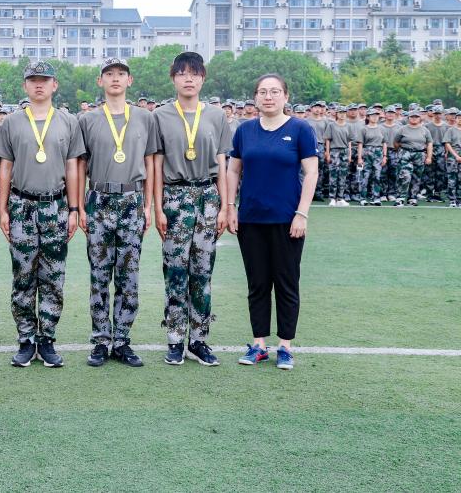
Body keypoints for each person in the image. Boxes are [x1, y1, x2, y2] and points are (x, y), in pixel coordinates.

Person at [0, 61, 84, 368]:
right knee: (23, 276)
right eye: (33, 80)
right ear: (25, 86)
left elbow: (73, 167)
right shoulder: (12, 122)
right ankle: (26, 339)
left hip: (56, 206)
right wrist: (3, 209)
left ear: (54, 85)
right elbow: (5, 167)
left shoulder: (68, 121)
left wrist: (74, 208)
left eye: (44, 80)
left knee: (53, 277)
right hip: (22, 205)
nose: (39, 85)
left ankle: (46, 339)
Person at [226, 74, 318, 372]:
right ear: (255, 97)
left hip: (287, 220)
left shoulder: (300, 129)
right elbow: (233, 170)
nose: (268, 97)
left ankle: (285, 347)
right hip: (251, 219)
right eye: (263, 92)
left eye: (275, 92)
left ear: (285, 96)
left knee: (287, 284)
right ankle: (259, 345)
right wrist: (230, 207)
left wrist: (302, 213)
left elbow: (311, 172)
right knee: (258, 284)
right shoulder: (245, 131)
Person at [152, 52, 232, 366]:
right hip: (174, 197)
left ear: (202, 79)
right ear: (173, 78)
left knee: (202, 271)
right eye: (182, 73)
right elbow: (156, 165)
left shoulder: (216, 116)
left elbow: (222, 164)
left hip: (207, 197)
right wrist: (157, 208)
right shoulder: (160, 116)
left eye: (195, 73)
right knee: (175, 270)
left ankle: (199, 339)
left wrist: (225, 207)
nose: (189, 79)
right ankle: (175, 339)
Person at [78, 57, 157, 368]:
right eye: (109, 74)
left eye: (121, 74)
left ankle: (122, 340)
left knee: (128, 275)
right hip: (99, 199)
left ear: (129, 80)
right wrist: (79, 206)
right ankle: (101, 340)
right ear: (100, 81)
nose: (115, 78)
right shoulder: (87, 120)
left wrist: (148, 206)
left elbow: (151, 163)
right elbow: (80, 165)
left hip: (131, 199)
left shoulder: (145, 118)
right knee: (99, 274)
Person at [393, 109, 432, 207]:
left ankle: (412, 198)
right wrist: (401, 151)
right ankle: (400, 198)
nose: (414, 118)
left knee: (416, 177)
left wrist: (429, 157)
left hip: (419, 154)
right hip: (406, 153)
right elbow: (396, 142)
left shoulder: (424, 130)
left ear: (419, 118)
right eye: (412, 117)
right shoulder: (402, 129)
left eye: (416, 117)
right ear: (408, 118)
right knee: (405, 176)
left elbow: (429, 143)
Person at [357, 108, 387, 206]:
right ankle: (363, 198)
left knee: (377, 176)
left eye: (377, 115)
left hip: (378, 153)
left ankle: (376, 197)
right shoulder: (363, 129)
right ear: (368, 117)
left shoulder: (382, 128)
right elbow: (360, 144)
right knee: (365, 176)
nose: (375, 117)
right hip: (367, 153)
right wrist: (359, 158)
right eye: (373, 115)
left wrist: (384, 156)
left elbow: (384, 143)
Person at [324, 107, 352, 207]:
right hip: (334, 151)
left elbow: (349, 142)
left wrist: (349, 154)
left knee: (343, 175)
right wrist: (327, 153)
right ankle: (332, 198)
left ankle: (340, 198)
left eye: (344, 112)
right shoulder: (331, 125)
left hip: (344, 151)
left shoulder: (348, 126)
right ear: (337, 114)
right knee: (333, 175)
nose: (342, 114)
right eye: (340, 113)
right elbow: (328, 139)